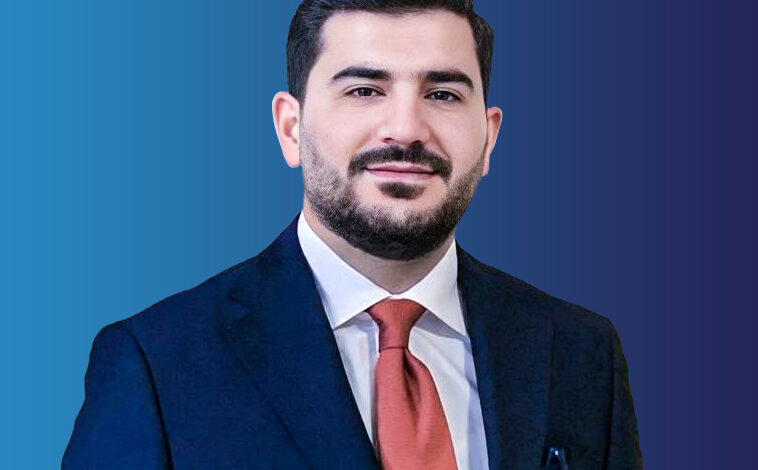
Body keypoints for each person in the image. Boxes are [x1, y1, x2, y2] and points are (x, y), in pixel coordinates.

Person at [63, 1, 642, 469]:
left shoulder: (580, 351)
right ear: (291, 129)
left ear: (489, 138)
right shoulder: (158, 363)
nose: (405, 129)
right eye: (364, 90)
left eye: (442, 94)